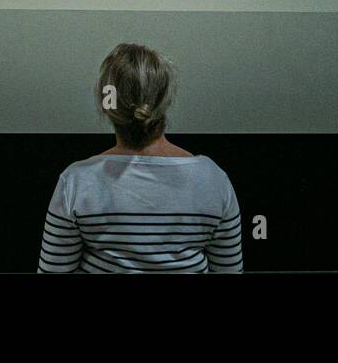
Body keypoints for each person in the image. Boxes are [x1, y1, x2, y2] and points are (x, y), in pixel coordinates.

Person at [37, 42, 243, 273]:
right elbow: (229, 271)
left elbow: (52, 273)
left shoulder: (76, 182)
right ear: (165, 101)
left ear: (107, 105)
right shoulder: (213, 180)